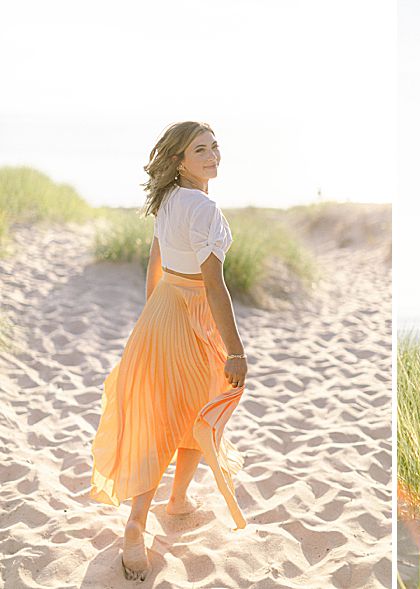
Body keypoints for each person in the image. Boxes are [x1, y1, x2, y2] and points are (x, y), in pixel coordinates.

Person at [89, 121, 249, 581]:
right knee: (197, 412)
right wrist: (234, 350)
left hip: (161, 313)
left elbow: (155, 261)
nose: (213, 154)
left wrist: (153, 315)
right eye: (201, 149)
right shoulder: (204, 209)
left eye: (215, 146)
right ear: (179, 161)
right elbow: (215, 285)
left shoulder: (168, 201)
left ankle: (161, 509)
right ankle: (147, 519)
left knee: (166, 414)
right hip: (195, 312)